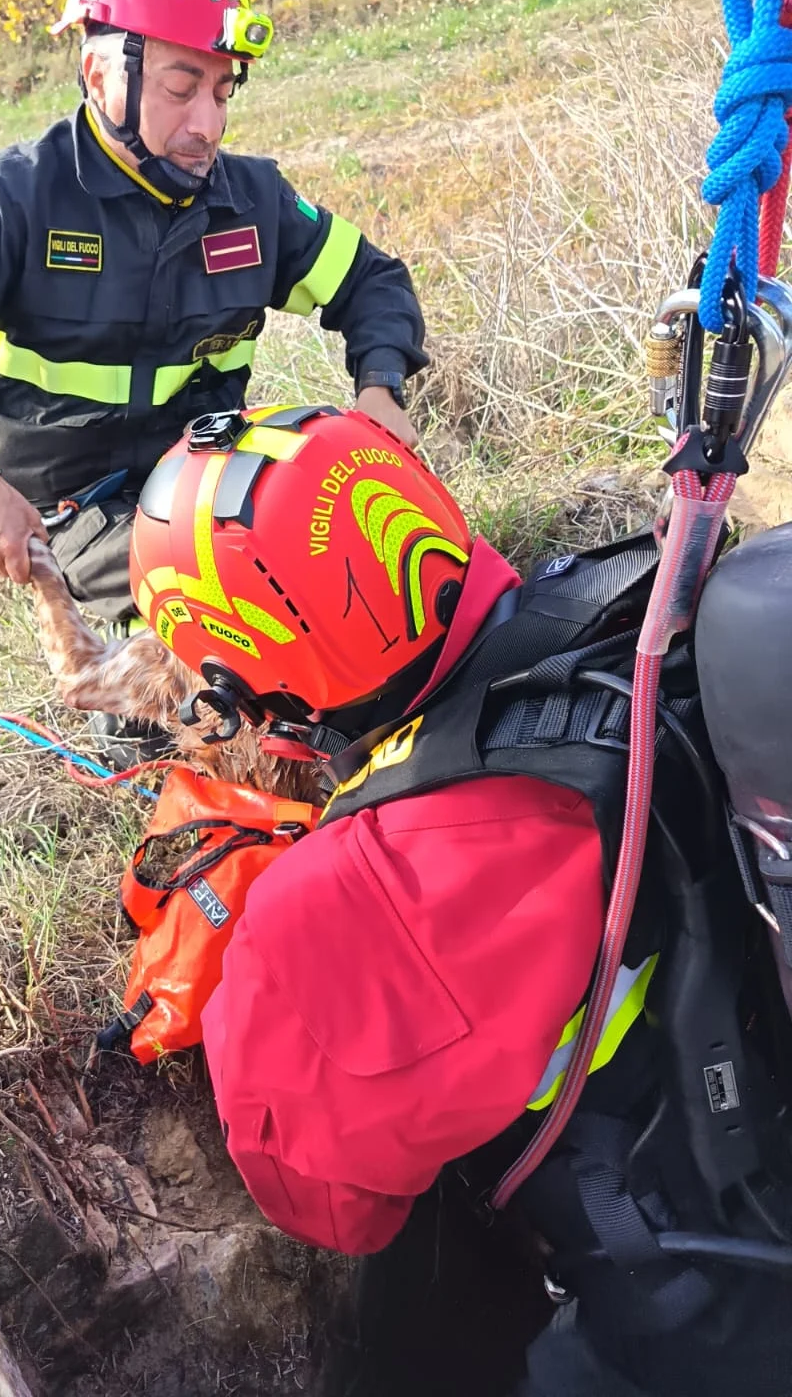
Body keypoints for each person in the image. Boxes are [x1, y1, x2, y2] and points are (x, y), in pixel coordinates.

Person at [126, 402, 792, 1397]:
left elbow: (330, 1204)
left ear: (241, 680)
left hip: (704, 1303)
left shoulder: (349, 902)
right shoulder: (640, 606)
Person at [0, 0, 424, 640]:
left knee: (364, 558)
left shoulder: (252, 201)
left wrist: (379, 386)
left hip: (206, 473)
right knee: (225, 623)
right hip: (76, 508)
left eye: (223, 90)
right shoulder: (17, 202)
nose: (208, 125)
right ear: (99, 72)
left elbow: (372, 282)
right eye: (181, 88)